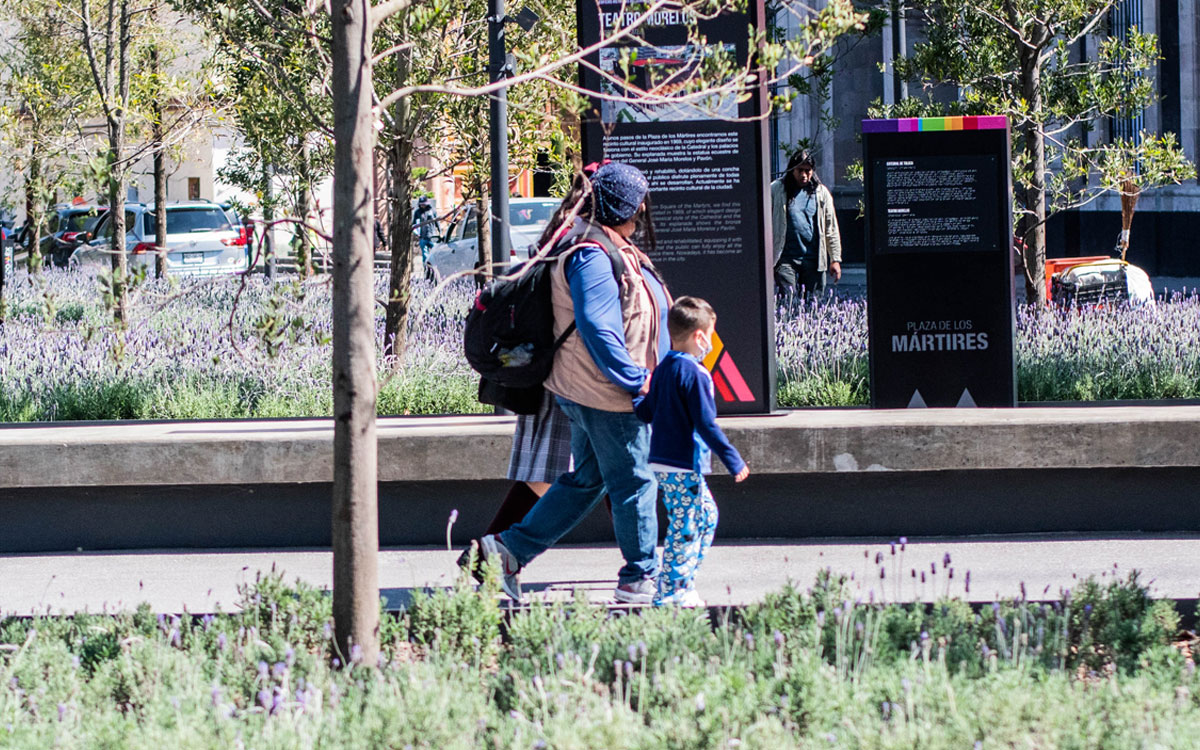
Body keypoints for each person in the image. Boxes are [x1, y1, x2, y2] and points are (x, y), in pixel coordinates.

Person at [475, 162, 672, 604]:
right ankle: (639, 578)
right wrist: (635, 380)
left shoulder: (603, 244)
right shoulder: (591, 254)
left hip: (595, 390)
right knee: (635, 483)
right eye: (640, 200)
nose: (644, 208)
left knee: (588, 480)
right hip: (609, 394)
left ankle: (504, 553)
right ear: (628, 205)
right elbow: (598, 328)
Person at [634, 296, 749, 607]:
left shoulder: (664, 368)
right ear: (699, 336)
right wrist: (733, 460)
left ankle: (683, 581)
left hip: (663, 462)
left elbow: (645, 413)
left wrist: (637, 392)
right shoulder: (696, 375)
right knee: (685, 527)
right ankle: (671, 593)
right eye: (710, 335)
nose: (711, 342)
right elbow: (706, 424)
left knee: (705, 517)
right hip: (685, 462)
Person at [770, 150, 842, 301]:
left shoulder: (821, 193)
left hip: (813, 259)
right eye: (800, 170)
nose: (804, 175)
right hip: (785, 258)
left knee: (813, 304)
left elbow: (831, 228)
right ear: (792, 170)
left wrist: (835, 259)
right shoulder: (777, 189)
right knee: (787, 302)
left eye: (807, 171)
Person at [413, 197, 438, 268]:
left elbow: (437, 222)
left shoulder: (432, 211)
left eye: (424, 204)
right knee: (425, 255)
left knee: (435, 253)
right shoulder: (417, 212)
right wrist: (416, 233)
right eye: (421, 204)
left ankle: (435, 269)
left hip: (432, 236)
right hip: (422, 237)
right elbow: (414, 224)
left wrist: (440, 232)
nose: (423, 206)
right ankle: (426, 269)